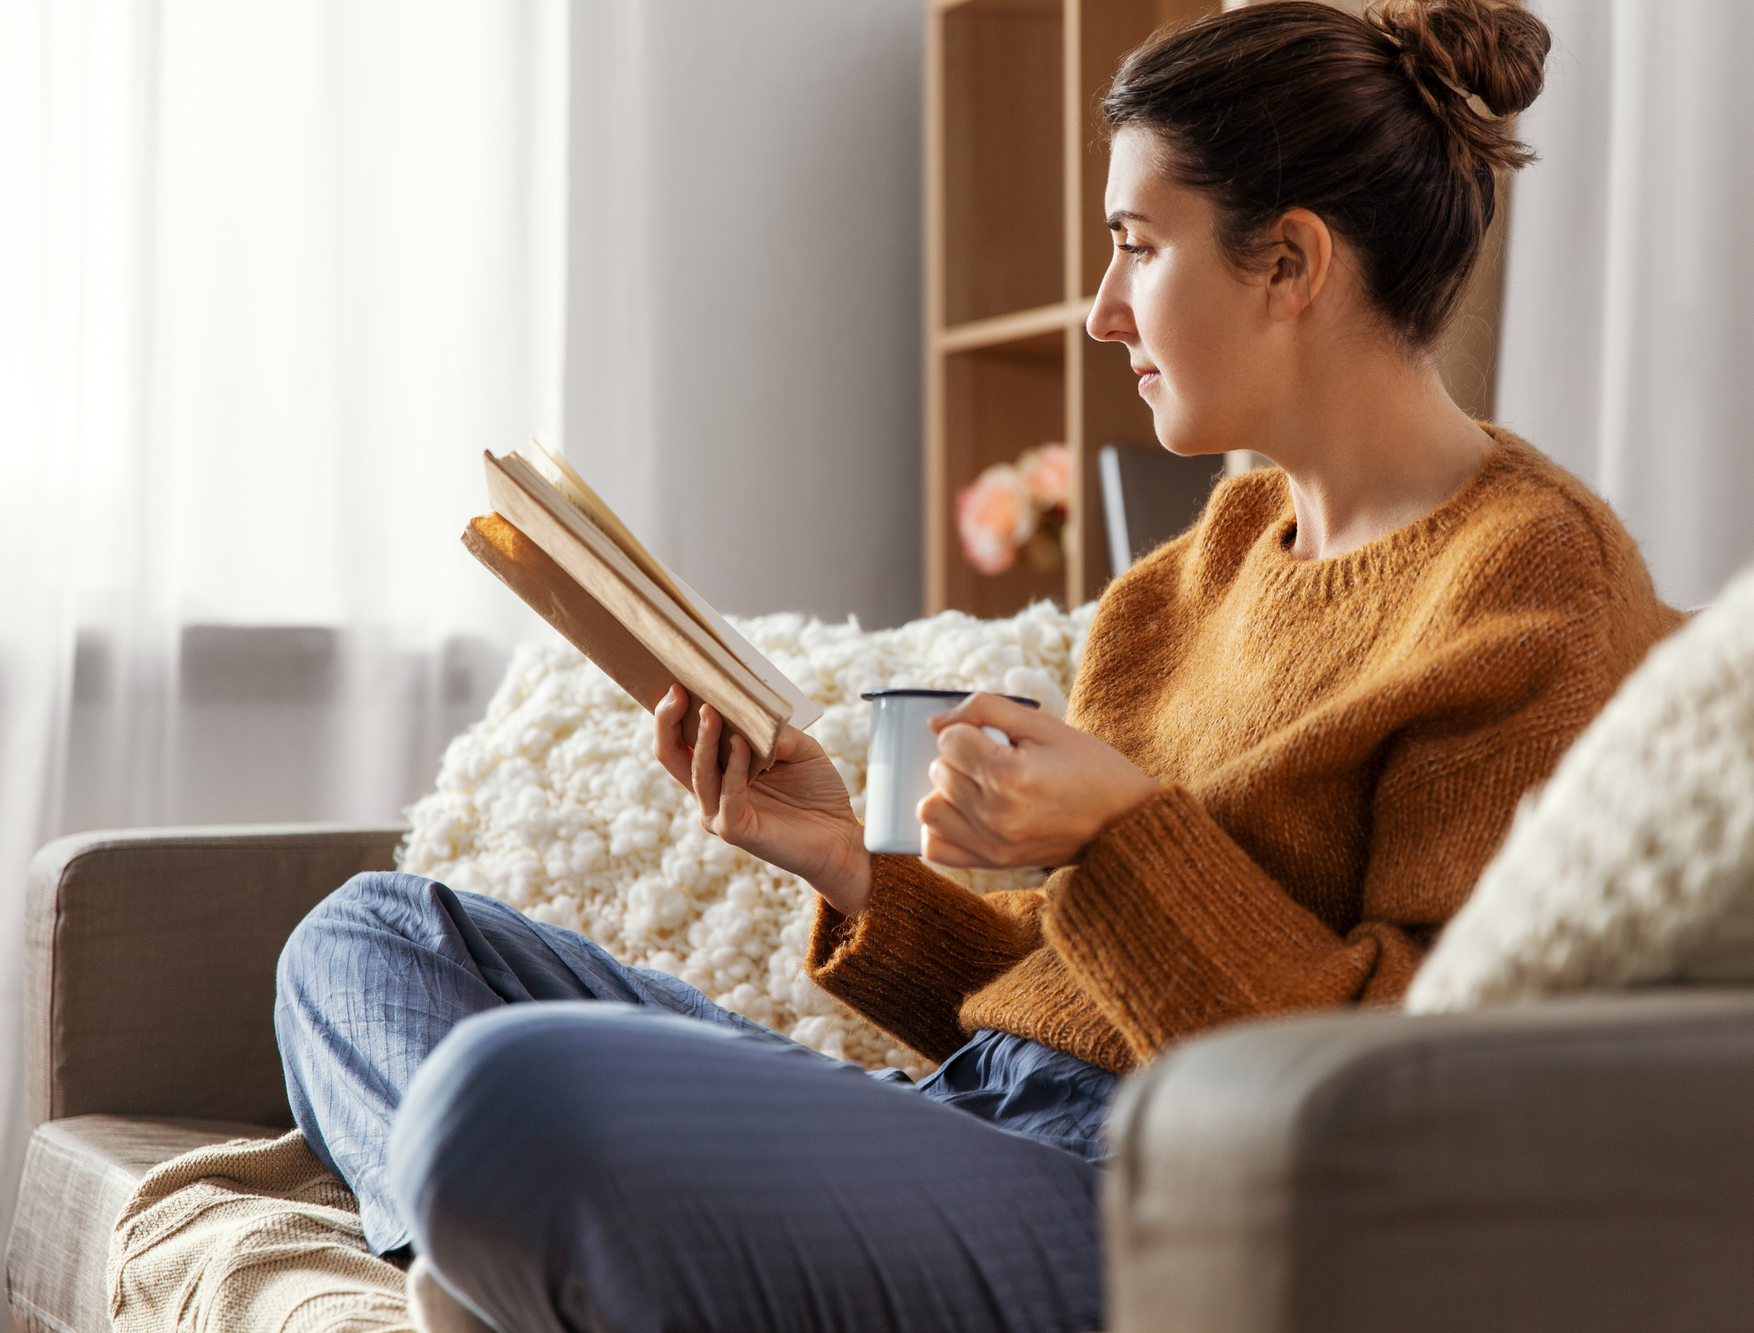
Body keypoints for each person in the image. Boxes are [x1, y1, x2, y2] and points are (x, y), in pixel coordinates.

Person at [275, 3, 1683, 1330]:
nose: (1100, 313)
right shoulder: (1185, 579)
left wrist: (1126, 834)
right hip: (982, 1112)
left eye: (1138, 245)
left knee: (505, 1096)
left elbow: (1416, 1105)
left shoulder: (1530, 590)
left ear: (1292, 263)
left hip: (1165, 1204)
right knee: (369, 939)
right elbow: (1064, 997)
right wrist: (845, 859)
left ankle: (504, 1247)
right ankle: (506, 1261)